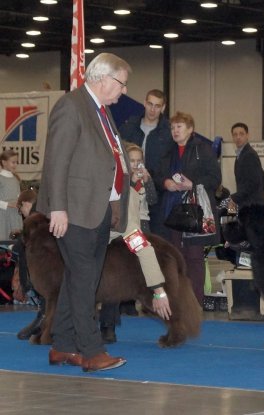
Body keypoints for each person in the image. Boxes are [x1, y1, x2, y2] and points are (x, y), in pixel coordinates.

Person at [37, 52, 131, 372]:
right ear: (102, 79)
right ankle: (91, 350)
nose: (124, 90)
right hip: (73, 211)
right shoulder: (71, 106)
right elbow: (56, 161)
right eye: (121, 83)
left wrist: (115, 203)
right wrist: (58, 209)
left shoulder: (102, 111)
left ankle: (62, 345)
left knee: (80, 279)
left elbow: (111, 161)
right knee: (84, 280)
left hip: (98, 209)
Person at [99, 143, 164, 343]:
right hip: (122, 231)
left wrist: (146, 181)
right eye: (132, 160)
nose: (136, 164)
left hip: (141, 227)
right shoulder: (119, 182)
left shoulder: (143, 180)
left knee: (145, 269)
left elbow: (153, 201)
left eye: (139, 160)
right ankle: (108, 324)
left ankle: (153, 301)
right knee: (114, 278)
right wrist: (131, 184)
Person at [156, 111, 221, 304]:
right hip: (173, 212)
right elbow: (158, 175)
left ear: (190, 129)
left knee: (194, 258)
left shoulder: (203, 149)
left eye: (179, 127)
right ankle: (177, 301)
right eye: (172, 127)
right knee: (175, 256)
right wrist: (165, 182)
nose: (175, 131)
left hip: (195, 212)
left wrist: (193, 184)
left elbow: (215, 178)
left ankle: (195, 302)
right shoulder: (168, 152)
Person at [119, 89, 172, 239]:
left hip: (158, 194)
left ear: (163, 108)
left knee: (156, 239)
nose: (153, 109)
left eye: (157, 105)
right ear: (144, 103)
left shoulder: (168, 132)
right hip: (129, 191)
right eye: (150, 104)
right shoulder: (129, 126)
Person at [13, 189, 44, 340]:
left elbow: (23, 246)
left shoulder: (34, 217)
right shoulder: (43, 212)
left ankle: (43, 319)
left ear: (25, 204)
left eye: (20, 210)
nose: (22, 213)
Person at [228, 122, 264, 210]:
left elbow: (253, 182)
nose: (238, 137)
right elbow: (263, 177)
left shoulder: (249, 155)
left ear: (247, 135)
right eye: (235, 134)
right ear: (232, 138)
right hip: (251, 205)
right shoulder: (241, 156)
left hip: (252, 207)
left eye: (241, 134)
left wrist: (234, 198)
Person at [0, 150, 22, 240]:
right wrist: (8, 204)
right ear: (4, 162)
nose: (15, 165)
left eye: (16, 162)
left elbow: (18, 196)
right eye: (13, 162)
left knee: (15, 242)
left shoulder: (16, 178)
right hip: (3, 216)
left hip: (15, 215)